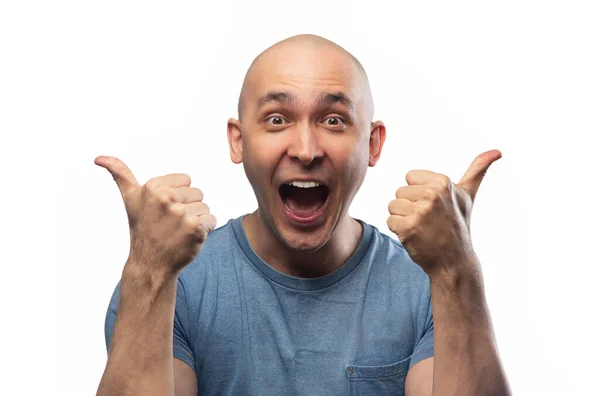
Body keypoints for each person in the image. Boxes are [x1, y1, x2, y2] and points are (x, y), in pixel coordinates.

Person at [95, 34, 511, 396]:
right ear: (238, 142)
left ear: (373, 144)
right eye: (277, 120)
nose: (306, 150)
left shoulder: (427, 288)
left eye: (333, 120)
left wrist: (457, 269)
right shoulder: (174, 287)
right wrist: (148, 270)